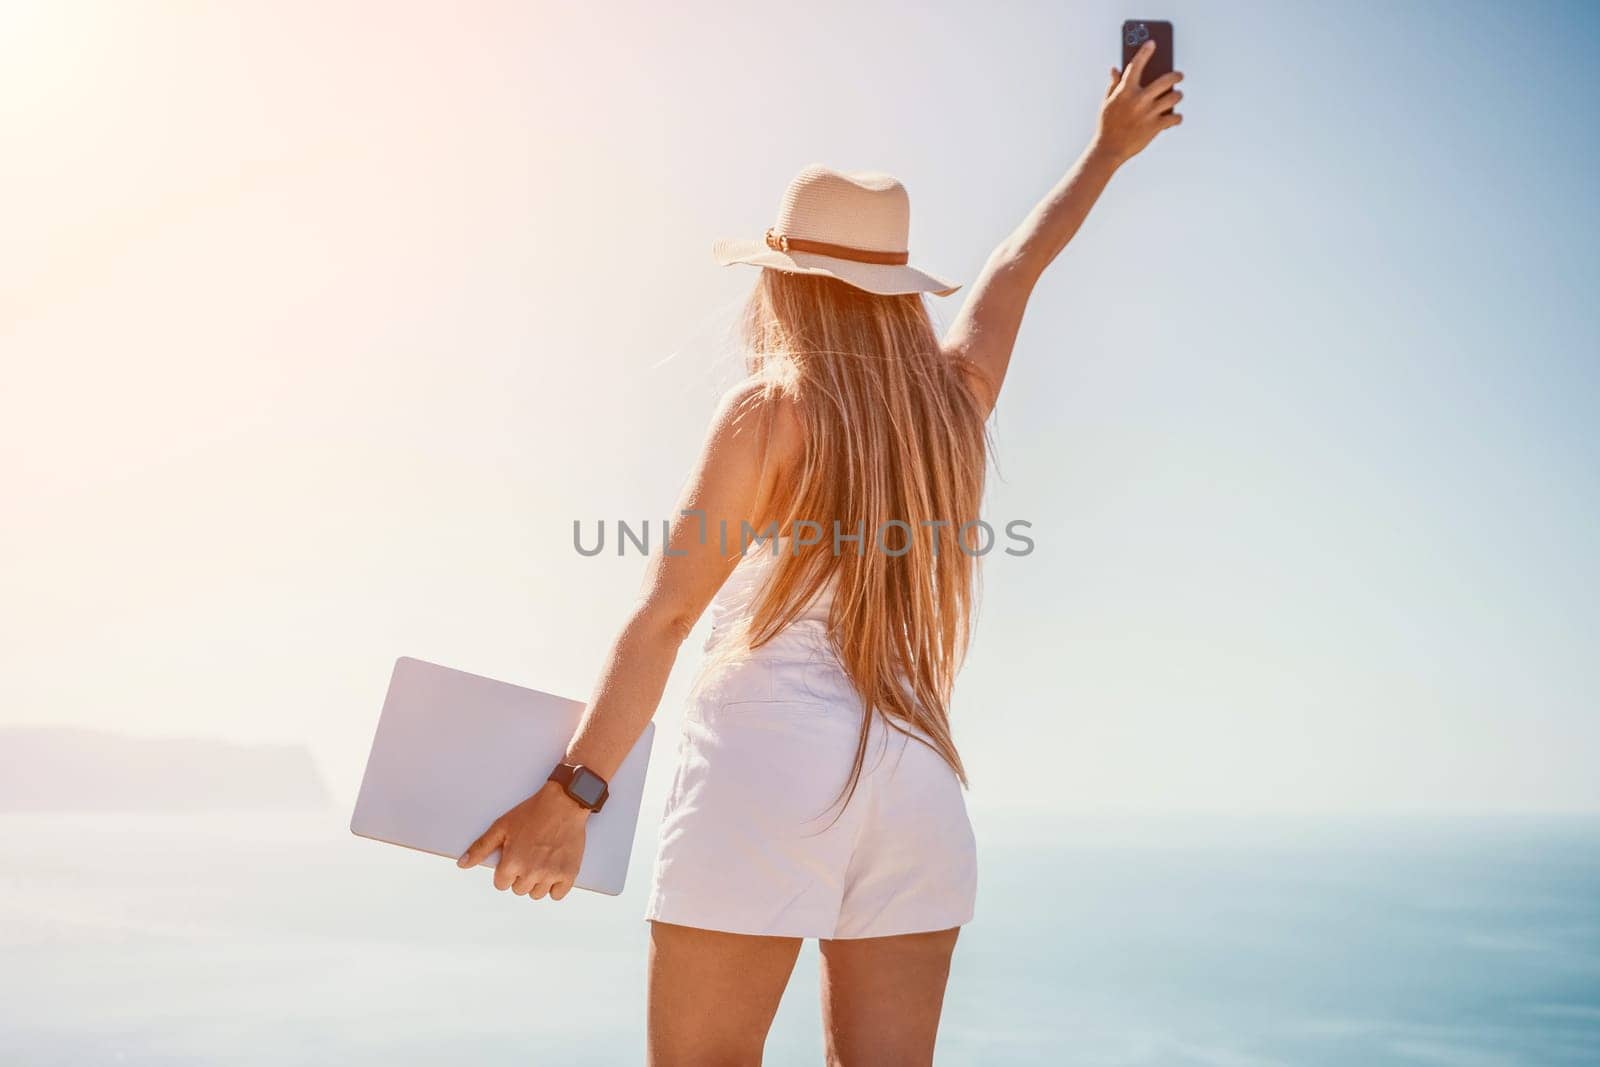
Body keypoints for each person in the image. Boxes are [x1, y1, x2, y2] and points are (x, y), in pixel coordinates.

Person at [457, 41, 1183, 1066]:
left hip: (765, 764)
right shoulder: (954, 401)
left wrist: (573, 792)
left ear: (786, 281)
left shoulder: (772, 409)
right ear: (894, 290)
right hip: (917, 782)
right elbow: (1017, 266)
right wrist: (1108, 150)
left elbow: (666, 614)